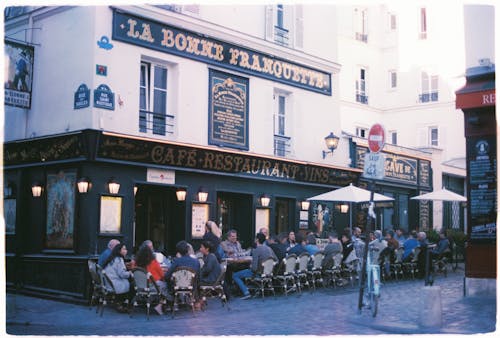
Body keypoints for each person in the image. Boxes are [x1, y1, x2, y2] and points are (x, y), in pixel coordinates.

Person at [232, 233, 277, 300]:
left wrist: (250, 266)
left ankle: (246, 292)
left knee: (235, 275)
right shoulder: (269, 249)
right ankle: (254, 289)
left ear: (257, 240)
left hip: (258, 273)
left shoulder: (256, 250)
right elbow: (276, 260)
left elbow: (254, 268)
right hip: (268, 273)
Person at [134, 243, 167, 315]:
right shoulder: (154, 262)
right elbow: (161, 274)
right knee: (165, 285)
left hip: (139, 287)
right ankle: (160, 305)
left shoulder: (136, 263)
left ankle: (151, 301)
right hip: (153, 285)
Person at [102, 243, 133, 312]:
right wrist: (130, 273)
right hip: (115, 283)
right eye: (124, 249)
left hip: (109, 282)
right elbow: (122, 274)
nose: (126, 251)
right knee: (133, 285)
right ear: (119, 251)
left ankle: (120, 302)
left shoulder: (112, 258)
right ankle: (124, 304)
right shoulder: (119, 260)